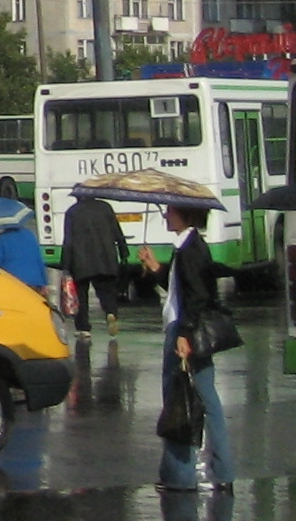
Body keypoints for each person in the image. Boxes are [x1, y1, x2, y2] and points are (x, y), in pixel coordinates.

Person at [143, 202, 236, 491]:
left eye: (170, 210)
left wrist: (184, 334)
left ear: (186, 215)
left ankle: (181, 475)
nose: (166, 215)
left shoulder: (191, 250)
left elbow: (196, 297)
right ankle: (220, 472)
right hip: (187, 329)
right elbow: (180, 290)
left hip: (185, 332)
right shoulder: (187, 247)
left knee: (180, 400)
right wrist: (157, 267)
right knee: (206, 401)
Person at [62, 190, 131, 336]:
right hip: (105, 258)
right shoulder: (105, 207)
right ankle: (111, 312)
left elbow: (68, 241)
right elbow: (117, 231)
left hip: (81, 261)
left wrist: (66, 265)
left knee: (81, 295)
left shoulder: (72, 212)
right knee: (106, 291)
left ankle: (83, 327)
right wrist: (124, 251)